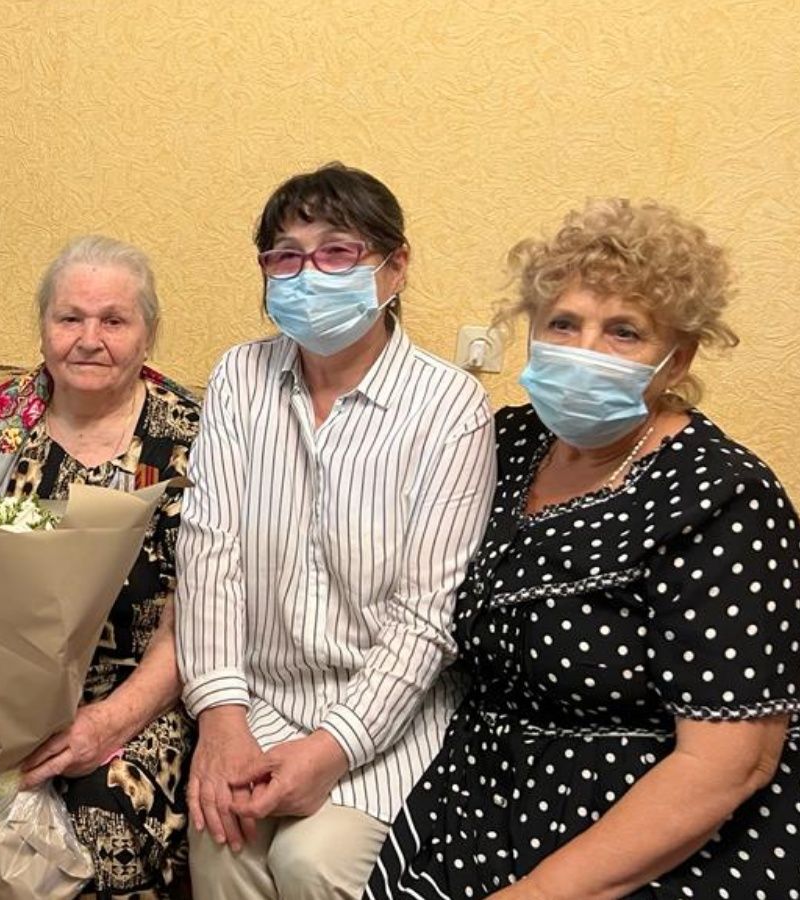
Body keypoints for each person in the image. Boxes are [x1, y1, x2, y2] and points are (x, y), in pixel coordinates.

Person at [367, 199, 800, 898]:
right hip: (489, 782)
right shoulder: (506, 444)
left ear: (677, 360)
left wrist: (538, 894)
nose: (585, 351)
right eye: (563, 324)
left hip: (671, 818)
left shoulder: (723, 498)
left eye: (624, 332)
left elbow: (729, 764)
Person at [175, 163, 497, 899]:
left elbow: (426, 616)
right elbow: (210, 554)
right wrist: (221, 721)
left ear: (395, 267)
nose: (309, 274)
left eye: (337, 252)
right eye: (286, 257)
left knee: (312, 861)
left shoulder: (449, 407)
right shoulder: (240, 377)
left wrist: (333, 748)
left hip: (388, 716)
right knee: (222, 842)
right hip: (257, 703)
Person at [0, 235, 200, 898]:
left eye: (113, 320)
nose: (89, 339)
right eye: (69, 318)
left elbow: (199, 621)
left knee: (105, 808)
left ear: (148, 334)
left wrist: (106, 724)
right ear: (43, 327)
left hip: (134, 698)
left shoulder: (193, 440)